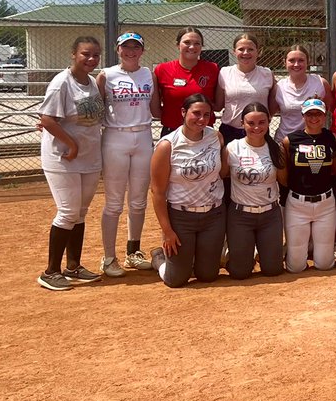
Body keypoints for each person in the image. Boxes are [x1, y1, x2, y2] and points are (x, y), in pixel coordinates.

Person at [36, 36, 105, 290]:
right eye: (86, 54)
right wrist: (72, 143)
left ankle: (73, 266)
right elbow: (47, 119)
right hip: (63, 157)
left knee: (80, 212)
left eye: (96, 55)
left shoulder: (91, 83)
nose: (91, 59)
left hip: (88, 157)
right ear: (73, 54)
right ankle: (50, 272)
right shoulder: (61, 83)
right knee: (67, 211)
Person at [148, 93, 227, 288]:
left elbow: (223, 172)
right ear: (184, 112)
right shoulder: (168, 145)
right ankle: (159, 258)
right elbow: (157, 192)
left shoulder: (215, 137)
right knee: (176, 280)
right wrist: (167, 231)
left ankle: (194, 258)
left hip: (213, 215)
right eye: (196, 113)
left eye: (206, 115)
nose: (201, 119)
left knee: (208, 275)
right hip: (181, 217)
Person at [96, 32, 158, 277]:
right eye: (125, 47)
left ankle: (134, 251)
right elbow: (94, 108)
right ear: (117, 49)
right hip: (115, 136)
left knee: (139, 200)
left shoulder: (148, 75)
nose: (131, 51)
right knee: (113, 202)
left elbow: (157, 108)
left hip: (143, 135)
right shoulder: (106, 75)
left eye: (136, 47)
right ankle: (109, 257)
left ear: (142, 50)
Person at [225, 102, 286, 279]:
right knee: (240, 273)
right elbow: (220, 176)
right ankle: (238, 255)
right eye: (251, 123)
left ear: (268, 122)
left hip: (269, 214)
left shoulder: (276, 148)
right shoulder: (232, 148)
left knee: (273, 270)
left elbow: (284, 180)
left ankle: (262, 252)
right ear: (242, 123)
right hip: (240, 215)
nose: (257, 127)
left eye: (262, 122)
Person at [282, 97, 336, 272]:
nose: (314, 118)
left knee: (324, 264)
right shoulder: (290, 140)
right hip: (297, 203)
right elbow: (285, 174)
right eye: (309, 114)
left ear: (325, 116)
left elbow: (335, 169)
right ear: (303, 115)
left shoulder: (332, 138)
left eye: (318, 114)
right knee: (296, 267)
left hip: (325, 203)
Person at [154, 27, 218, 136]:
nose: (192, 47)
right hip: (172, 132)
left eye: (197, 43)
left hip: (203, 131)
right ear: (178, 45)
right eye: (187, 42)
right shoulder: (162, 69)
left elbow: (217, 104)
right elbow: (155, 108)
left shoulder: (213, 69)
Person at [216, 32, 276, 144]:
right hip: (230, 130)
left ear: (258, 51)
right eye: (241, 49)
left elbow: (273, 107)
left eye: (250, 49)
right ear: (234, 51)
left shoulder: (267, 73)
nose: (245, 53)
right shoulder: (224, 72)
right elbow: (218, 105)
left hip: (258, 132)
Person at [273, 44, 331, 144]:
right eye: (291, 60)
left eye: (301, 60)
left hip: (314, 141)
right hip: (285, 141)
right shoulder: (278, 87)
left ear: (308, 62)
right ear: (284, 62)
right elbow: (270, 113)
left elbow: (329, 109)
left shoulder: (320, 83)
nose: (296, 64)